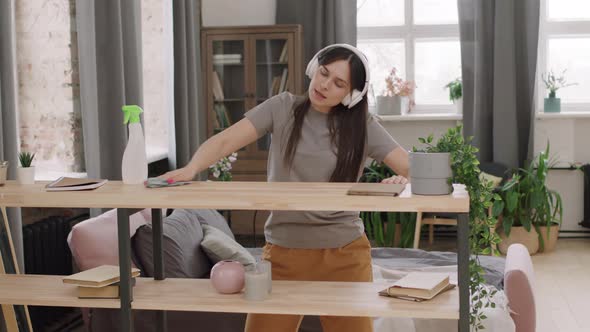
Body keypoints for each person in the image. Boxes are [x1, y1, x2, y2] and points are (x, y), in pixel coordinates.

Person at [161, 43, 409, 332]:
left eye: (338, 83)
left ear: (351, 96)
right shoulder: (282, 107)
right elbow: (225, 141)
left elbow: (410, 167)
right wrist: (192, 168)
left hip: (345, 256)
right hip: (284, 252)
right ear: (313, 68)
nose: (325, 84)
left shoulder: (363, 125)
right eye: (324, 73)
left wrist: (402, 179)